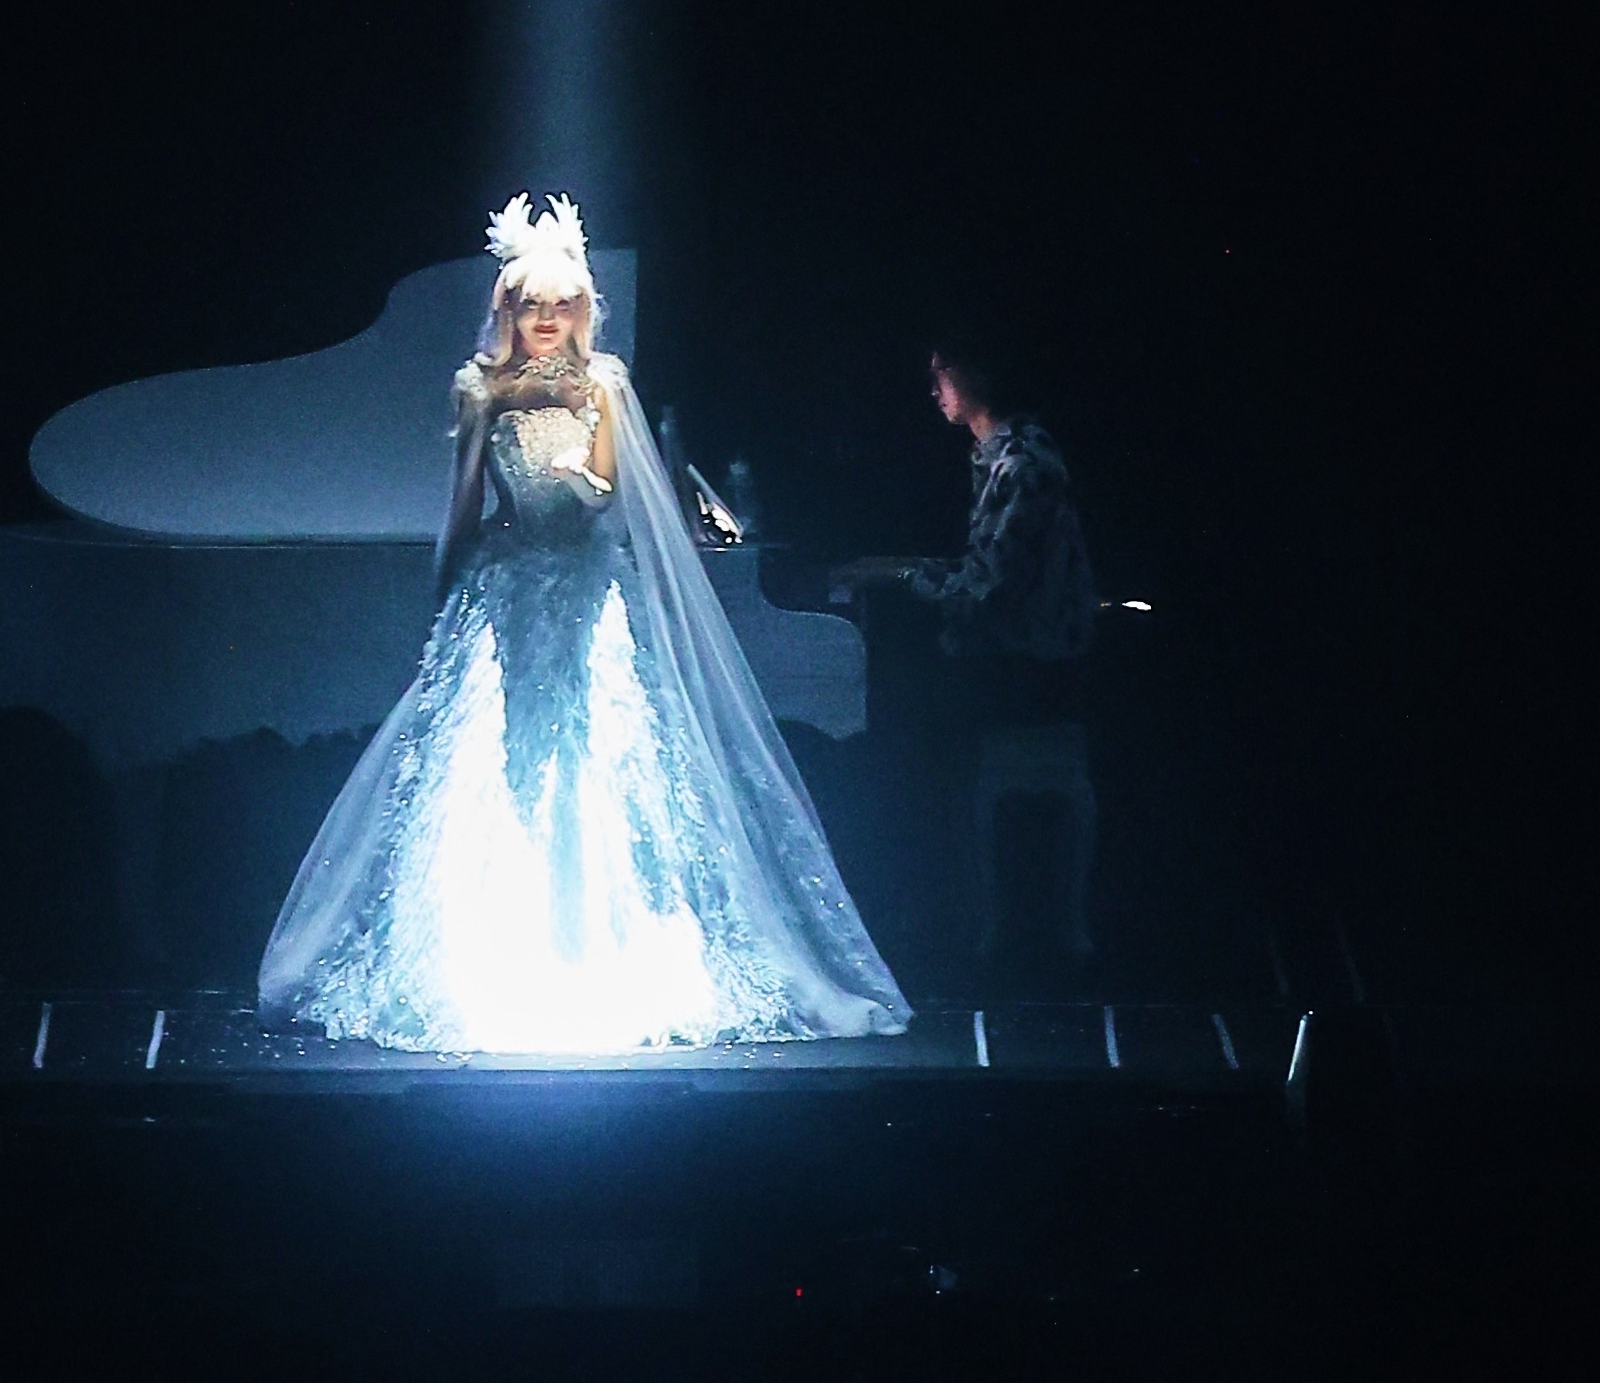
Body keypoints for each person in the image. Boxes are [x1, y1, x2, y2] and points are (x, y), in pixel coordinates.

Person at [256, 195, 910, 1049]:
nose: (547, 320)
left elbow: (604, 491)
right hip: (509, 590)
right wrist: (446, 583)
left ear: (581, 311)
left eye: (562, 305)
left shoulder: (603, 383)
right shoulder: (480, 388)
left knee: (598, 749)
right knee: (491, 756)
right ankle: (492, 943)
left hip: (586, 592)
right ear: (509, 309)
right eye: (533, 305)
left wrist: (577, 469)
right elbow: (464, 499)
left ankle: (602, 941)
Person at [837, 346, 1099, 974]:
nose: (934, 389)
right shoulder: (999, 454)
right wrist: (895, 569)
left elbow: (988, 588)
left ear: (976, 374)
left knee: (901, 725)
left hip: (1032, 665)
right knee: (896, 700)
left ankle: (932, 921)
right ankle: (925, 909)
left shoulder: (1026, 463)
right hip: (1008, 651)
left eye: (942, 374)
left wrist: (899, 575)